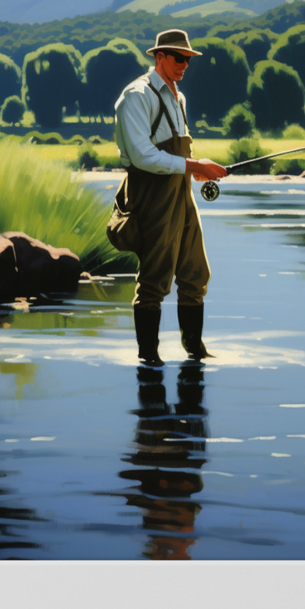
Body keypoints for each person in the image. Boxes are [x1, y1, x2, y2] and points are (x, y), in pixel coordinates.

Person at [112, 30, 227, 363]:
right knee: (154, 278)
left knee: (195, 271)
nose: (185, 65)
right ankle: (149, 357)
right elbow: (143, 156)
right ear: (159, 57)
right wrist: (193, 164)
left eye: (188, 59)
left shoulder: (179, 97)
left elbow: (175, 155)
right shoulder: (136, 96)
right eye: (179, 58)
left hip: (181, 192)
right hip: (151, 195)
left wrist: (197, 171)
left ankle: (195, 350)